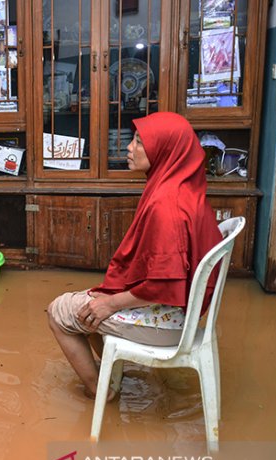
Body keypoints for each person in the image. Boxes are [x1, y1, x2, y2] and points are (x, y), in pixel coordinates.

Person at [47, 112, 223, 400]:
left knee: (59, 311)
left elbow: (166, 285)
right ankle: (112, 374)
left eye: (140, 142)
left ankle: (101, 392)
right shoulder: (182, 187)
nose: (129, 148)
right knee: (88, 304)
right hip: (182, 313)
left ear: (164, 150)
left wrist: (111, 304)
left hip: (170, 323)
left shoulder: (167, 205)